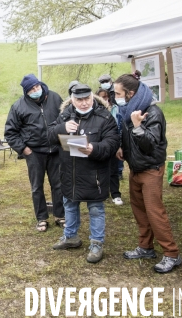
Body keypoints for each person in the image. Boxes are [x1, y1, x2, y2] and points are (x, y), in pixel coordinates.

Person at [114, 71, 182, 273]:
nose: (115, 96)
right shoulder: (130, 110)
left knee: (155, 213)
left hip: (150, 169)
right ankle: (145, 247)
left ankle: (172, 254)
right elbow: (126, 136)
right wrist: (121, 147)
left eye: (118, 93)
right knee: (139, 211)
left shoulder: (152, 113)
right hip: (135, 168)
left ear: (130, 93)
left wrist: (137, 126)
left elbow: (150, 144)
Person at [48, 84, 120, 263]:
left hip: (93, 173)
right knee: (70, 204)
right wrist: (62, 128)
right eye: (79, 100)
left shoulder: (104, 117)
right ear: (72, 99)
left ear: (92, 97)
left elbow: (112, 142)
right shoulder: (64, 115)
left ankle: (96, 243)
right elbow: (48, 137)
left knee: (95, 209)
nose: (83, 103)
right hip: (69, 173)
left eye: (87, 99)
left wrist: (95, 148)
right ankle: (70, 236)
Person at [4, 74, 64, 232]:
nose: (35, 90)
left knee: (58, 184)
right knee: (37, 186)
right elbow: (10, 132)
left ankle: (60, 215)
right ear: (26, 92)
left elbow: (66, 119)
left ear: (40, 85)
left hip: (56, 150)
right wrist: (23, 149)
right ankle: (42, 218)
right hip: (35, 153)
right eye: (31, 89)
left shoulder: (55, 98)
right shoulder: (18, 106)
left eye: (36, 87)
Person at [96, 87, 123, 206]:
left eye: (106, 97)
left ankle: (116, 194)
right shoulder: (95, 111)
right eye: (102, 97)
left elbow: (119, 128)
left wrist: (118, 145)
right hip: (99, 145)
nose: (104, 99)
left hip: (112, 144)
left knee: (113, 170)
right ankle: (103, 192)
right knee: (101, 170)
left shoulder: (115, 109)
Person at [99, 73, 125, 185]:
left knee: (118, 153)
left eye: (106, 81)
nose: (104, 83)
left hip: (117, 124)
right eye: (102, 82)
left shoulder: (116, 91)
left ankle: (119, 172)